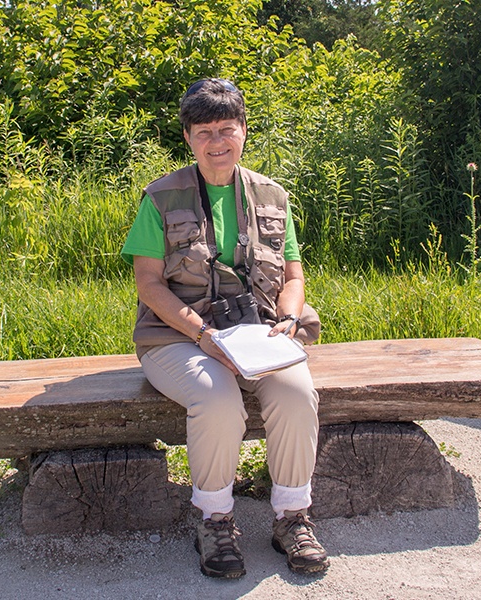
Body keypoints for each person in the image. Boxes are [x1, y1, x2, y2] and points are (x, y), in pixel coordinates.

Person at [120, 78, 328, 578]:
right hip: (177, 336)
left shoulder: (273, 195)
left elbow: (294, 275)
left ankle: (291, 516)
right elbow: (149, 285)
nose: (217, 141)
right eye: (205, 131)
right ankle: (215, 519)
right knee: (216, 397)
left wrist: (288, 318)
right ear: (189, 138)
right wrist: (202, 336)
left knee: (297, 391)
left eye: (227, 129)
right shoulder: (161, 198)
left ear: (244, 132)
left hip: (259, 334)